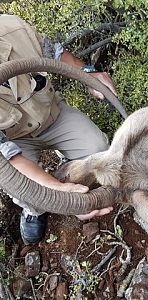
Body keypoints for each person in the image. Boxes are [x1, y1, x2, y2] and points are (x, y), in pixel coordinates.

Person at [0, 14, 115, 245]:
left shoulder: (13, 28)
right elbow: (5, 156)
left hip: (53, 115)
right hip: (15, 144)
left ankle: (69, 171)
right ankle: (35, 210)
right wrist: (58, 193)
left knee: (100, 149)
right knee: (27, 191)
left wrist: (91, 73)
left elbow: (56, 54)